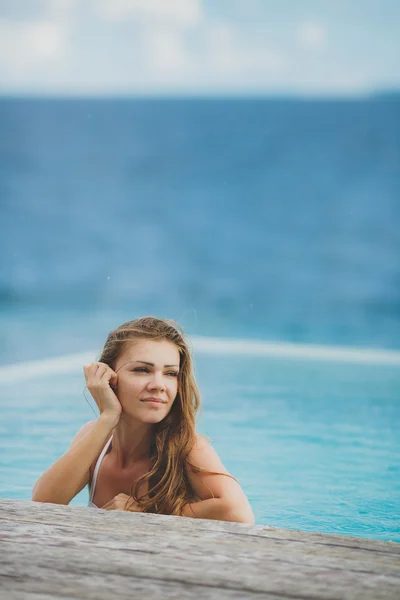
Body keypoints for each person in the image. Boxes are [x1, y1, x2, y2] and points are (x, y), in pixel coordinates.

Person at [32, 316, 254, 523]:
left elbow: (239, 513)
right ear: (109, 377)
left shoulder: (187, 447)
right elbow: (43, 504)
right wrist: (108, 417)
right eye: (142, 370)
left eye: (170, 373)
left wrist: (150, 511)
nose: (159, 384)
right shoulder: (95, 439)